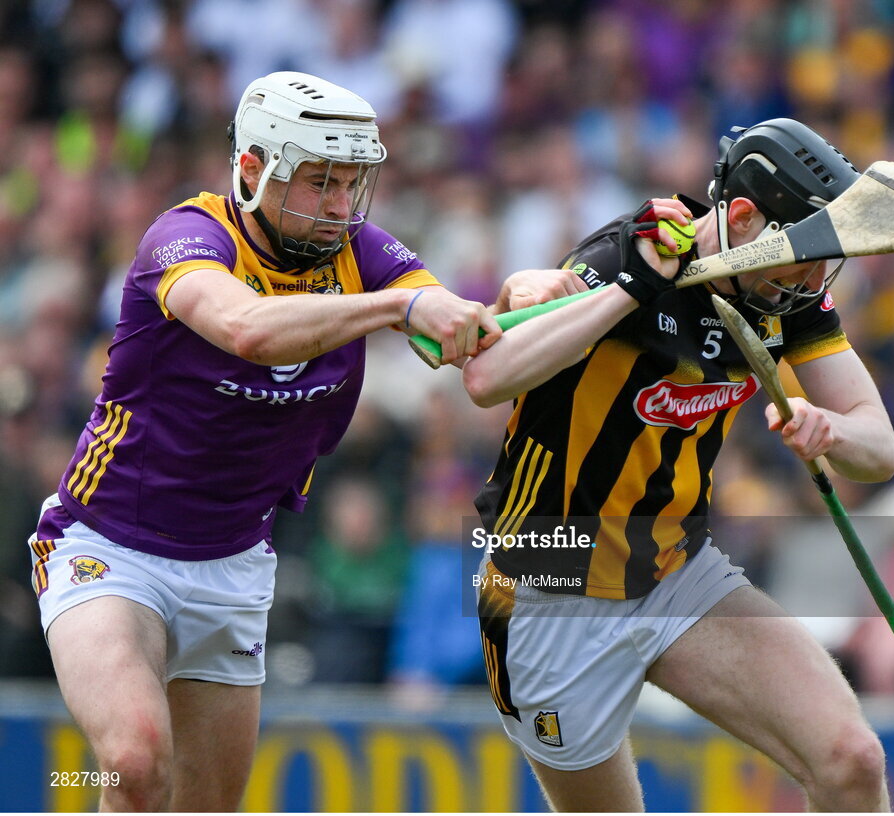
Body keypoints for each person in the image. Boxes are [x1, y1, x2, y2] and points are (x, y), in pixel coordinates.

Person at [25, 71, 580, 811]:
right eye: (320, 182)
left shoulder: (364, 252)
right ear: (252, 170)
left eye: (351, 184)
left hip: (235, 563)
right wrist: (395, 306)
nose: (340, 206)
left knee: (204, 804)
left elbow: (470, 349)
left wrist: (527, 302)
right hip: (109, 546)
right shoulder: (188, 236)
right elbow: (246, 328)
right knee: (131, 764)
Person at [460, 118, 894, 811]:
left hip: (675, 571)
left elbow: (882, 450)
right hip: (549, 581)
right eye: (804, 254)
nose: (814, 277)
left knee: (852, 760)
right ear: (744, 218)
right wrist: (622, 294)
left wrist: (830, 431)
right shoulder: (627, 254)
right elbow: (487, 380)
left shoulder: (786, 295)